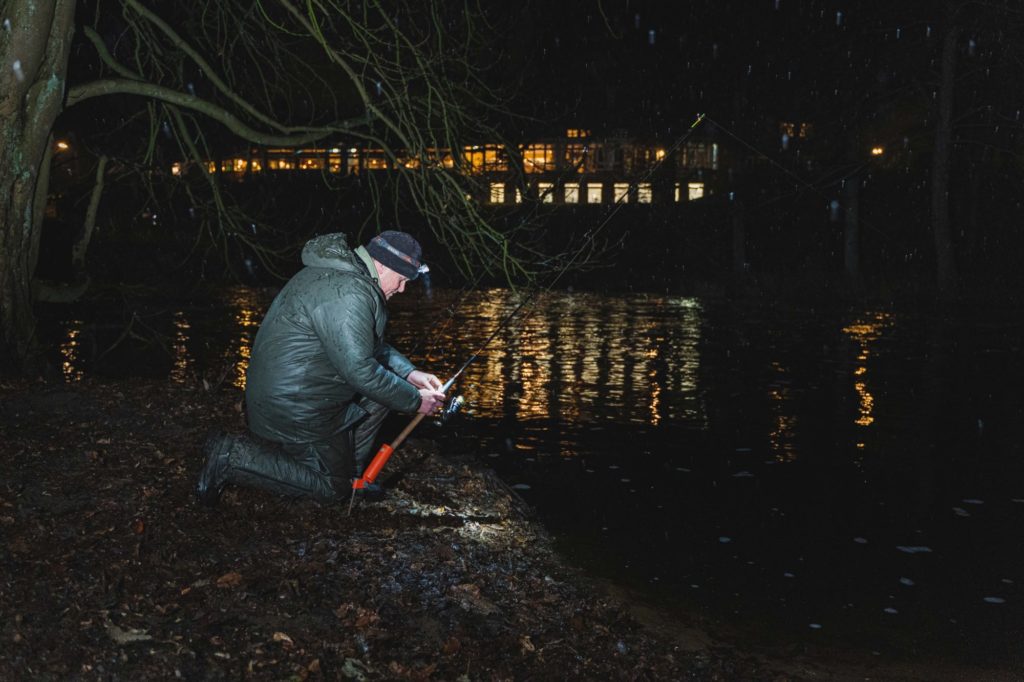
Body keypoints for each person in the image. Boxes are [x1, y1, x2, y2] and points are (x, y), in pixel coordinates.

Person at [195, 230, 445, 506]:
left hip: (297, 393)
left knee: (385, 392)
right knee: (331, 490)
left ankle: (350, 477)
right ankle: (232, 455)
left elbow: (365, 346)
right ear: (383, 265)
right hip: (293, 407)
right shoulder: (349, 292)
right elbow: (360, 369)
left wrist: (410, 374)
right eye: (401, 280)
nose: (401, 289)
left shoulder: (339, 275)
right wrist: (414, 401)